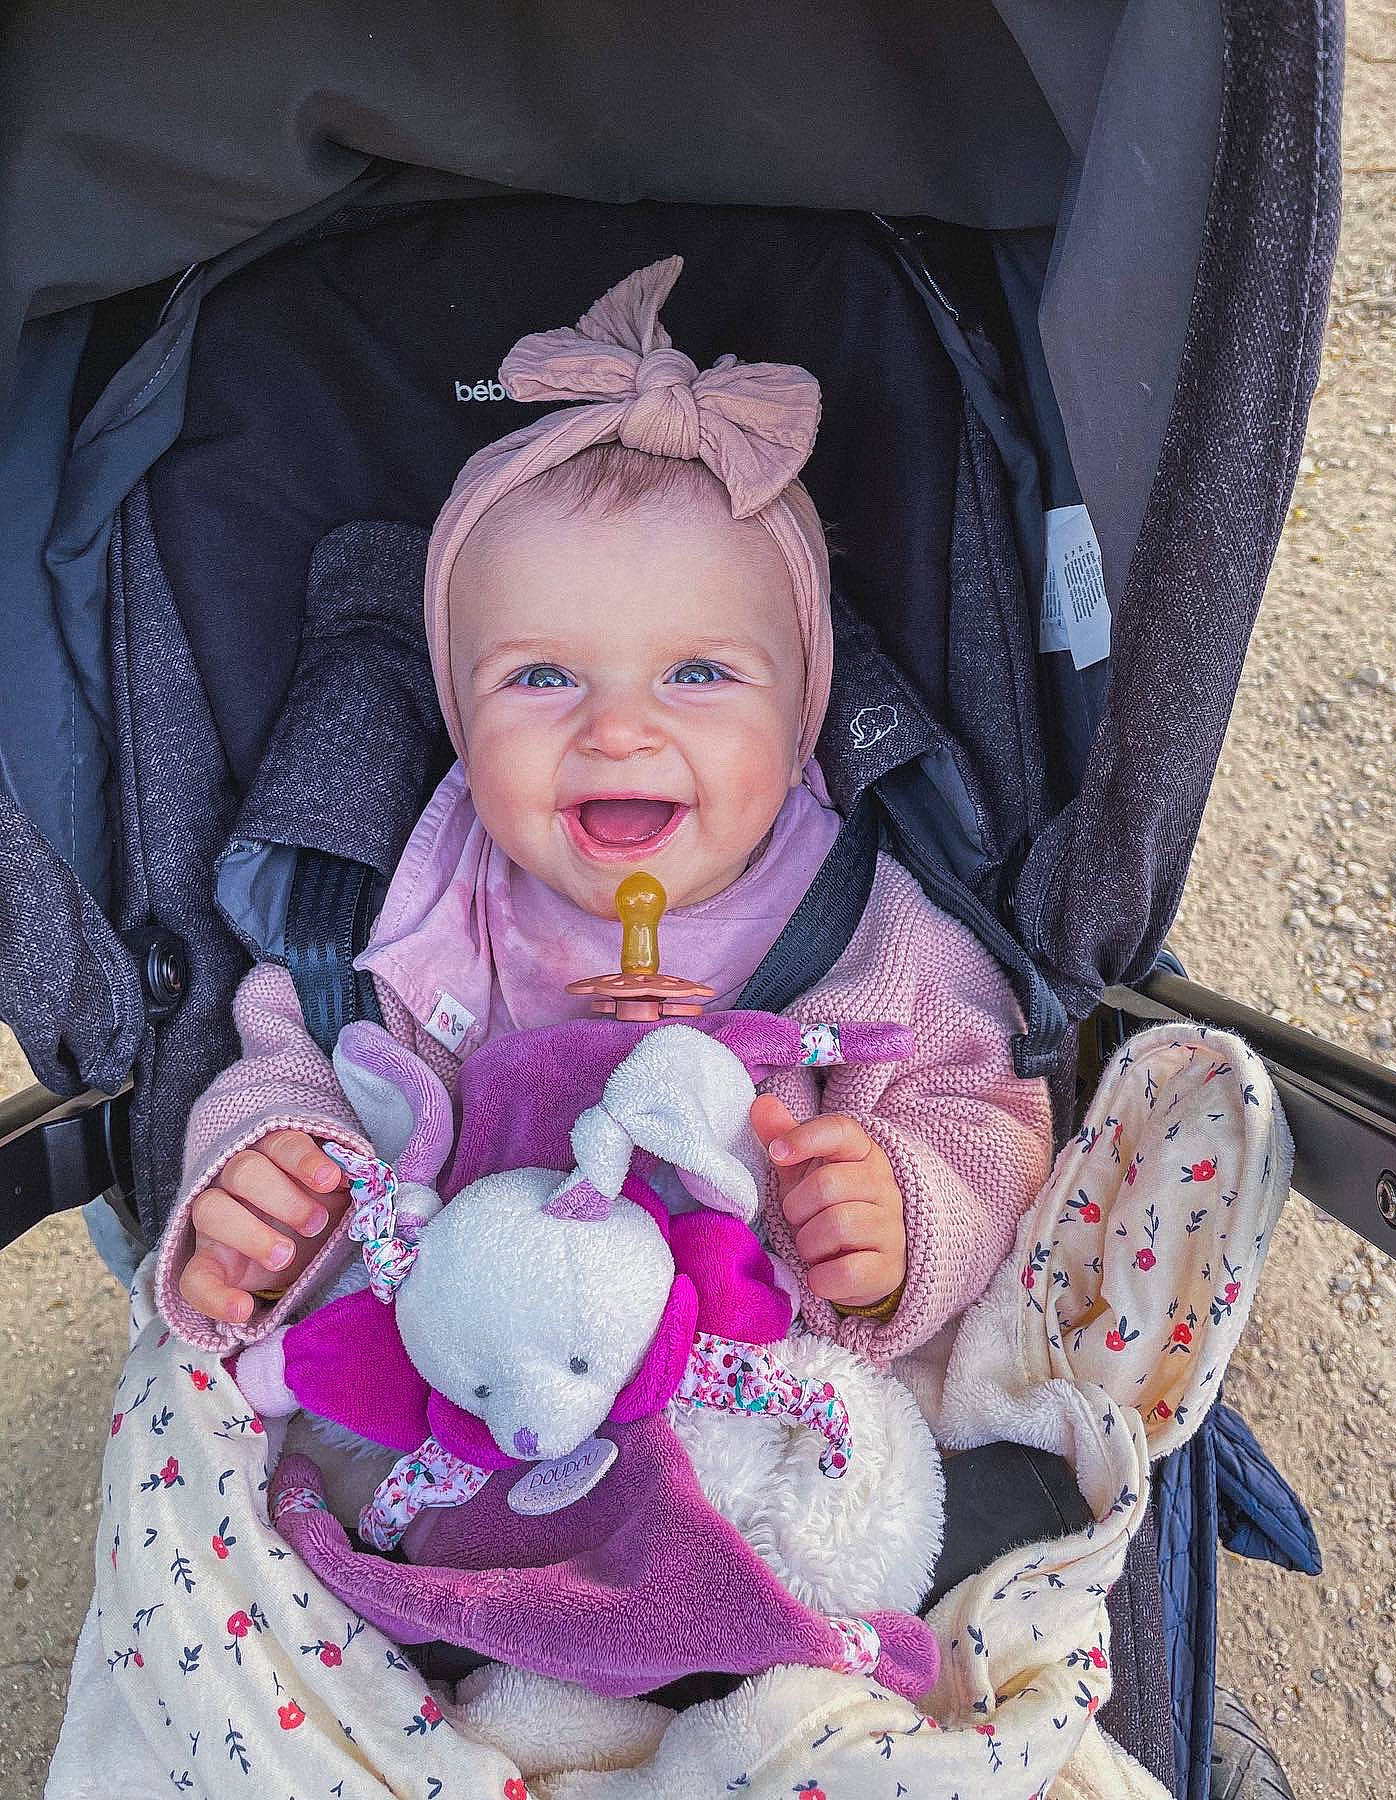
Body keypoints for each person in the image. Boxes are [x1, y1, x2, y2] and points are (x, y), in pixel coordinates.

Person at [157, 256, 1052, 1371]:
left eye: (698, 676)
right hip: (483, 1372)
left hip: (760, 1373)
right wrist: (279, 1188)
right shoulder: (416, 911)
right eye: (540, 680)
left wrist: (904, 1219)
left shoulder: (873, 920)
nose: (618, 731)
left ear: (802, 720)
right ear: (457, 720)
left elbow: (993, 1116)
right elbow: (290, 1062)